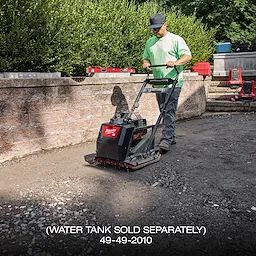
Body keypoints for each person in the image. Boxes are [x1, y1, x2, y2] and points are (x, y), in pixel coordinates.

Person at [142, 13, 192, 152]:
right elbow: (145, 58)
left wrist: (175, 62)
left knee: (169, 110)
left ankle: (166, 139)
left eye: (157, 28)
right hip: (158, 81)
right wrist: (146, 64)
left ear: (165, 24)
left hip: (173, 81)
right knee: (163, 110)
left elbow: (187, 56)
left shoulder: (175, 39)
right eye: (153, 29)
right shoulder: (149, 42)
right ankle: (171, 136)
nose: (155, 31)